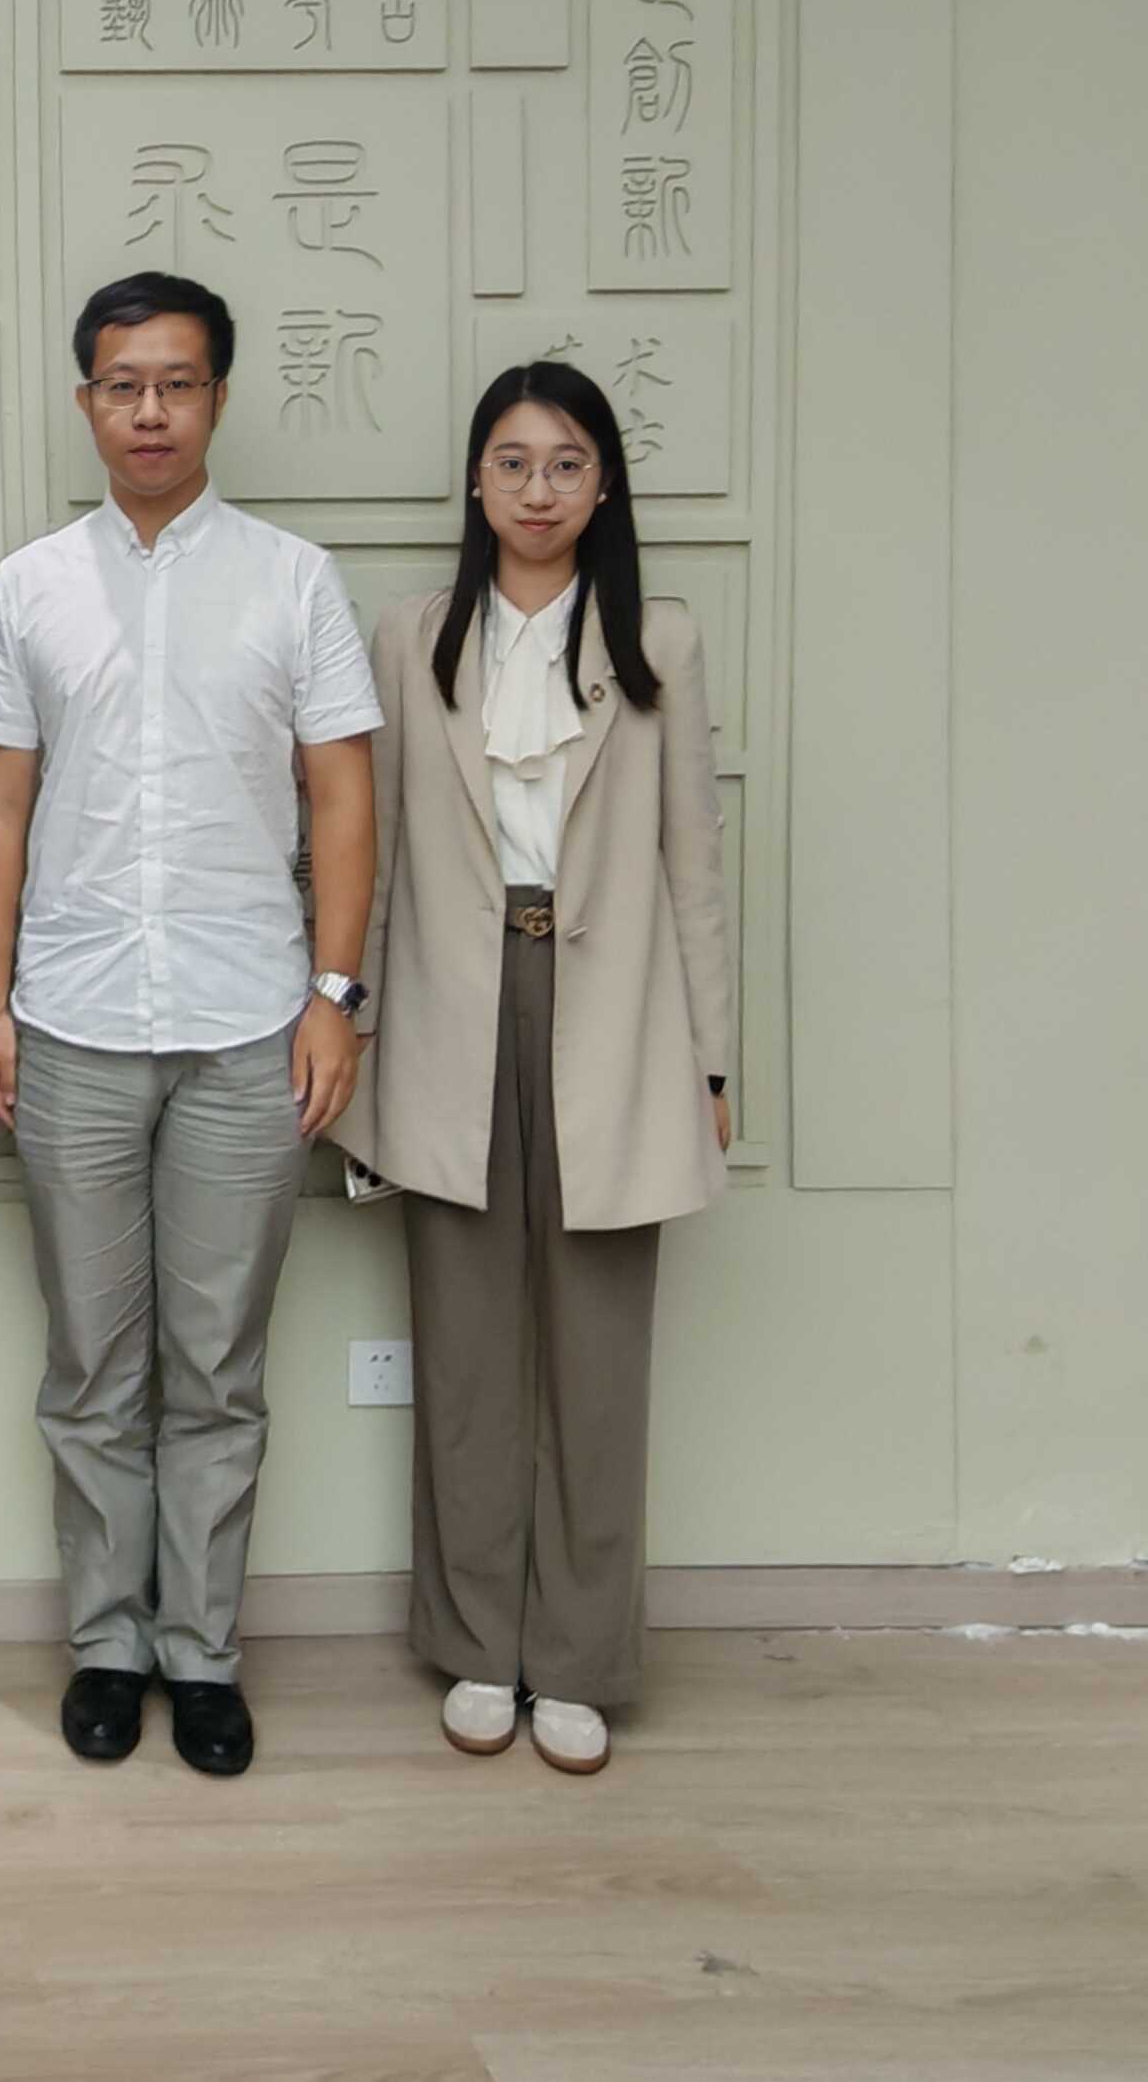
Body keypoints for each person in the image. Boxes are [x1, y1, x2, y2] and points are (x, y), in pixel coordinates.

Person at [0, 272, 379, 1779]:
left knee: (216, 1366)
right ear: (85, 400)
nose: (150, 410)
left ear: (217, 397)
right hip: (69, 1019)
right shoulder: (32, 583)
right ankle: (105, 1644)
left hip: (248, 1025)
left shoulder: (293, 579)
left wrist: (335, 999)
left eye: (178, 383)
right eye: (123, 384)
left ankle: (200, 1652)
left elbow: (342, 795)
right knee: (91, 1364)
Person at [336, 363, 732, 1778]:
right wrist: (353, 1029)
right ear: (475, 481)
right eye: (511, 462)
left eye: (566, 463)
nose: (538, 489)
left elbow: (693, 862)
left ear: (603, 483)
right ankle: (472, 1645)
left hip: (614, 1011)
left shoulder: (656, 639)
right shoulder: (410, 634)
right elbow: (370, 851)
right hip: (449, 1008)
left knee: (598, 1357)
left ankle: (576, 1659)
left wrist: (710, 1059)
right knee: (462, 1348)